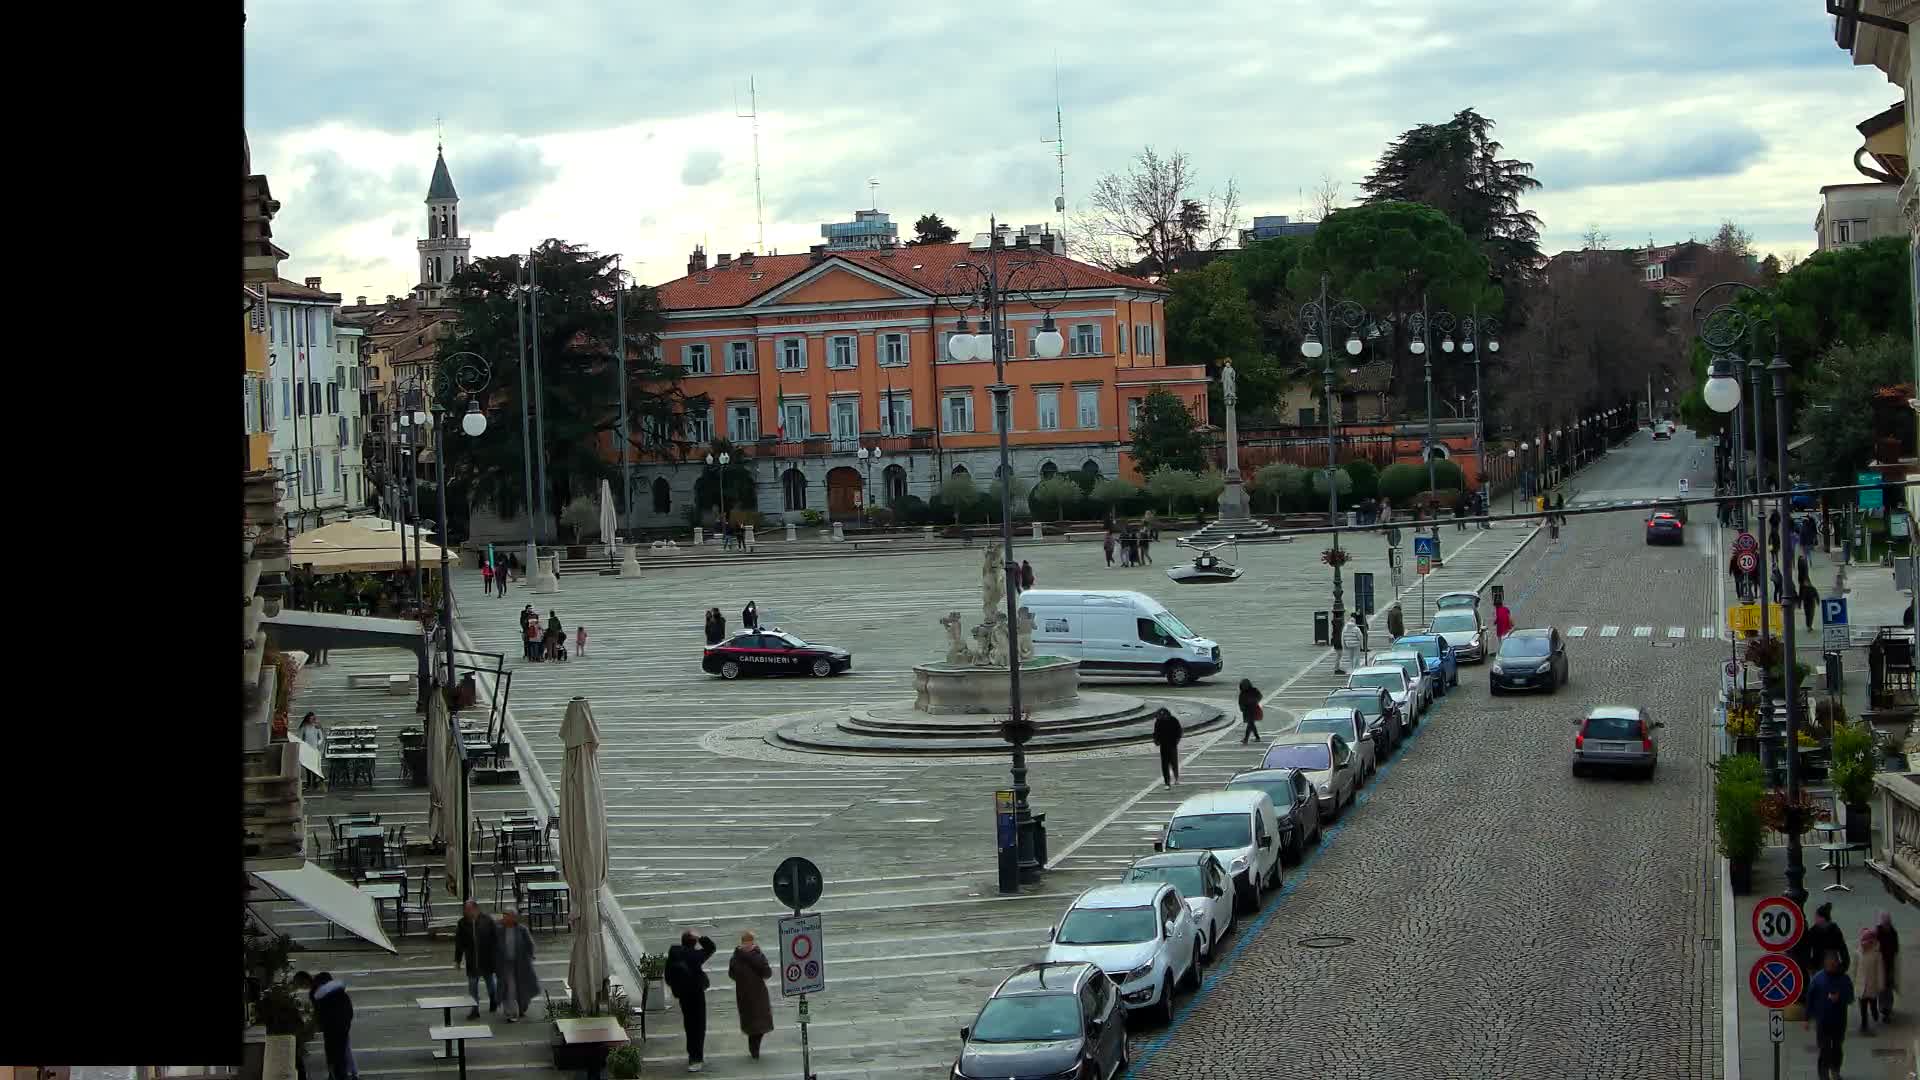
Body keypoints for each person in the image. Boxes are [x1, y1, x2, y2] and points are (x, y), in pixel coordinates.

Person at [667, 928, 719, 1072]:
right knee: (699, 1027)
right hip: (696, 994)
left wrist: (677, 988)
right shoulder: (695, 956)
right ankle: (696, 1058)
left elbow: (668, 976)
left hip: (683, 995)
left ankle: (692, 1055)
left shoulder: (674, 953)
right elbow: (711, 947)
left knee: (689, 1025)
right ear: (694, 942)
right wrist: (701, 936)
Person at [728, 930, 775, 1060]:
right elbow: (767, 973)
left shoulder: (736, 957)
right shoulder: (757, 955)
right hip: (755, 993)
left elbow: (732, 974)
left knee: (755, 1024)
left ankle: (754, 1048)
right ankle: (754, 1048)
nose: (748, 945)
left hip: (747, 994)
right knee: (756, 1024)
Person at [1809, 948, 1855, 1080]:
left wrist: (1839, 998)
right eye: (1828, 963)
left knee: (1836, 1048)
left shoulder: (1844, 979)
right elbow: (1810, 997)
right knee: (1824, 1049)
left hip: (1839, 1021)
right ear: (1824, 963)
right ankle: (1823, 1075)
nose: (1831, 965)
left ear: (1837, 963)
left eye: (1833, 963)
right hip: (1822, 1021)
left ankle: (1835, 1070)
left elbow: (1851, 997)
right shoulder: (1818, 979)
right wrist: (1808, 1017)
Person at [453, 900, 499, 1019]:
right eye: (466, 909)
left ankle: (493, 999)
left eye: (469, 909)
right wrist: (457, 960)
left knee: (491, 984)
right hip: (472, 961)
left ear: (476, 909)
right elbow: (459, 943)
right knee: (472, 987)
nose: (467, 912)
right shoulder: (462, 923)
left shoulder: (487, 920)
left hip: (487, 960)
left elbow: (495, 939)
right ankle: (475, 1009)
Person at [308, 971, 358, 1080]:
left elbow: (319, 1015)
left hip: (331, 1027)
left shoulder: (317, 995)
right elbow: (348, 1011)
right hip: (343, 1023)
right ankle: (350, 1074)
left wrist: (316, 1027)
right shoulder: (341, 993)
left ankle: (337, 1075)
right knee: (343, 1049)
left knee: (333, 1054)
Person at [496, 909, 539, 1022]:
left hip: (520, 964)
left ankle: (521, 1007)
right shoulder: (499, 930)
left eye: (507, 916)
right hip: (506, 964)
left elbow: (530, 944)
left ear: (513, 918)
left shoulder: (521, 930)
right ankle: (511, 1013)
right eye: (504, 915)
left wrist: (531, 955)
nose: (505, 918)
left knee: (521, 988)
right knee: (509, 987)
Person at [1858, 925, 1887, 1033]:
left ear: (1871, 942)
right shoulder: (1858, 953)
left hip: (1872, 986)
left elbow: (1880, 971)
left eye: (1867, 941)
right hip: (1860, 986)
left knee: (1873, 1003)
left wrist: (1881, 984)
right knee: (1863, 1006)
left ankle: (1875, 1012)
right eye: (1863, 941)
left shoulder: (1877, 955)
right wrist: (1852, 980)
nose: (1864, 944)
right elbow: (1854, 968)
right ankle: (1864, 1023)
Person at [1877, 911, 1901, 1019]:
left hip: (1889, 964)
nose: (1886, 924)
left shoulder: (1893, 932)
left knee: (1888, 987)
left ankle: (1887, 1008)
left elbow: (1896, 949)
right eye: (1884, 922)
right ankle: (1883, 1008)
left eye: (1887, 922)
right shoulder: (1878, 932)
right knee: (1882, 987)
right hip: (1880, 964)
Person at [1151, 707, 1182, 787]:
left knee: (1173, 762)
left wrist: (1177, 740)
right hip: (1163, 745)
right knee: (1164, 764)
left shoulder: (1173, 720)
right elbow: (1156, 732)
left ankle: (1176, 778)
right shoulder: (1158, 722)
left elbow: (1179, 731)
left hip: (1172, 744)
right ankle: (1167, 782)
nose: (1160, 717)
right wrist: (1156, 740)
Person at [297, 712, 326, 791]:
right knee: (308, 768)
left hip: (315, 749)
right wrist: (303, 745)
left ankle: (315, 784)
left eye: (313, 718)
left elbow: (321, 737)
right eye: (311, 718)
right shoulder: (304, 727)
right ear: (308, 719)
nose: (312, 720)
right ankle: (309, 784)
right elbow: (300, 737)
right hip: (307, 749)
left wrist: (318, 743)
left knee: (314, 768)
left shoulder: (316, 727)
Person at [1237, 679, 1263, 744]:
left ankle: (1246, 739)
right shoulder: (1243, 692)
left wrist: (1254, 701)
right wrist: (1241, 708)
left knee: (1250, 724)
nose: (1244, 686)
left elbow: (1259, 696)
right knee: (1251, 724)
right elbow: (1240, 702)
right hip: (1246, 710)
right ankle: (1257, 737)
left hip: (1252, 709)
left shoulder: (1253, 690)